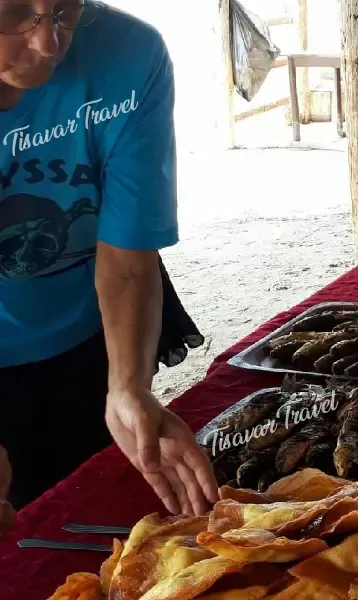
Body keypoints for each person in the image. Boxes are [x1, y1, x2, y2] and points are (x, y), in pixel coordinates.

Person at [0, 0, 219, 536]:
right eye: (13, 13)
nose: (50, 43)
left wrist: (128, 386)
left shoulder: (129, 53)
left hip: (88, 324)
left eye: (66, 10)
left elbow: (124, 250)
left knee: (95, 520)